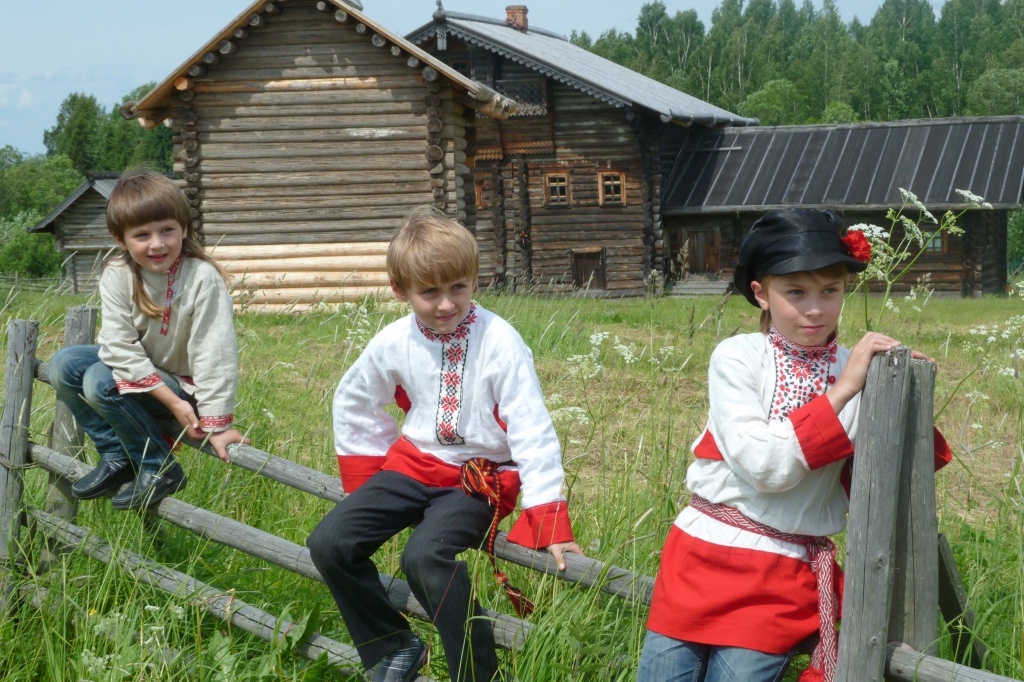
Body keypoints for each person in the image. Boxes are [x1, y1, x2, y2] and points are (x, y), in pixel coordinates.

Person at [636, 209, 952, 682]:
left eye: (831, 291)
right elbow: (765, 466)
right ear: (762, 293)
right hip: (700, 554)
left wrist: (905, 386)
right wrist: (844, 390)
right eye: (796, 292)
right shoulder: (739, 357)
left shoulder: (861, 369)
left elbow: (899, 469)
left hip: (782, 573)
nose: (815, 308)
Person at [307, 206, 582, 682]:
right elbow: (355, 399)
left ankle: (477, 674)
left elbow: (531, 427)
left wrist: (549, 519)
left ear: (474, 279)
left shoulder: (500, 341)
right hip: (413, 465)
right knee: (330, 542)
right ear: (401, 290)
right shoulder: (393, 341)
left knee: (423, 556)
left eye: (458, 287)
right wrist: (367, 482)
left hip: (478, 479)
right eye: (429, 292)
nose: (446, 304)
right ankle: (393, 647)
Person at [49, 171, 247, 510]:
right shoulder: (118, 273)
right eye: (142, 235)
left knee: (99, 380)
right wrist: (170, 402)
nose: (157, 244)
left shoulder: (201, 278)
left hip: (184, 386)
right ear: (121, 238)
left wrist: (217, 423)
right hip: (153, 380)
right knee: (63, 364)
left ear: (184, 228)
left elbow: (215, 354)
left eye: (167, 230)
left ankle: (159, 467)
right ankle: (116, 453)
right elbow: (118, 345)